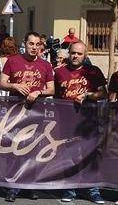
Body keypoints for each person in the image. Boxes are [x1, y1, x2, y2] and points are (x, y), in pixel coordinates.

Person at [0, 31, 55, 202]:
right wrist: (15, 85)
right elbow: (2, 83)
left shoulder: (46, 65)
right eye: (31, 44)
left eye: (38, 44)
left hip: (36, 111)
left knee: (33, 148)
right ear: (25, 43)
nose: (34, 47)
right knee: (14, 147)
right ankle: (12, 186)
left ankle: (29, 185)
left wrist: (39, 91)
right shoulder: (13, 60)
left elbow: (52, 89)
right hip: (15, 111)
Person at [55, 41, 106, 204]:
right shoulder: (60, 72)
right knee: (69, 157)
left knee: (89, 156)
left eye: (79, 53)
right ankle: (69, 190)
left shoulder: (93, 71)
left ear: (85, 55)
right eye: (73, 53)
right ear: (69, 53)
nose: (75, 56)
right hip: (67, 122)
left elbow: (103, 94)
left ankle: (93, 190)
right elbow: (56, 97)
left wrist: (87, 96)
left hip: (88, 122)